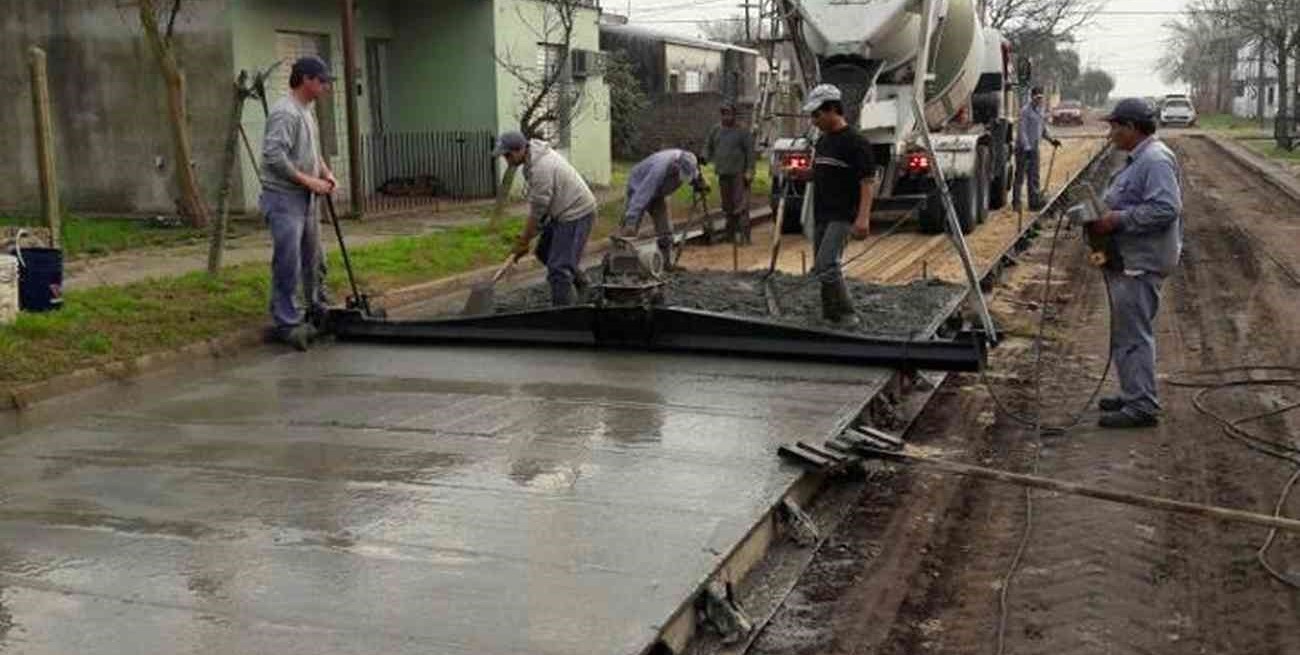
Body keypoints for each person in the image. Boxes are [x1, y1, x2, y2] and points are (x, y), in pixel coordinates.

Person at [1091, 97, 1183, 428]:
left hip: (1141, 263)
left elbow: (1166, 208)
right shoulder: (1137, 159)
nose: (1111, 133)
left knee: (1133, 334)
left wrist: (1117, 220)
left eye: (1115, 126)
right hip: (1129, 260)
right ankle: (1134, 393)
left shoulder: (1155, 160)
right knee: (1125, 332)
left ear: (1131, 127)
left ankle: (1141, 406)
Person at [260, 55, 338, 351]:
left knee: (315, 257)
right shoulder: (285, 113)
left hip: (307, 198)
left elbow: (311, 152)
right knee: (288, 261)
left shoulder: (307, 112)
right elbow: (274, 156)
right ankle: (287, 321)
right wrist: (309, 181)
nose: (326, 88)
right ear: (305, 79)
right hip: (284, 198)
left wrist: (326, 173)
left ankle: (315, 308)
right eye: (322, 81)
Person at [798, 84, 875, 328]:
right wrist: (802, 174)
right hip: (822, 213)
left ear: (832, 110)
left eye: (816, 114)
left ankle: (847, 314)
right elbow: (821, 172)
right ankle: (829, 314)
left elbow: (867, 182)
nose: (814, 120)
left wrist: (863, 219)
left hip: (843, 214)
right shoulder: (823, 141)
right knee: (822, 268)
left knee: (827, 264)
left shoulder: (856, 142)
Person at [495, 131, 598, 306]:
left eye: (507, 155)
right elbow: (542, 212)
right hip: (561, 210)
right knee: (544, 251)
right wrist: (528, 238)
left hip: (576, 213)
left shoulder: (541, 167)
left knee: (558, 268)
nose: (506, 159)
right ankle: (583, 284)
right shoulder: (532, 158)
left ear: (520, 149)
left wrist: (523, 240)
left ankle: (563, 315)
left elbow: (537, 211)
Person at [620, 149, 709, 266]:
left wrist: (700, 182)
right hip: (639, 188)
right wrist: (631, 218)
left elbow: (693, 173)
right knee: (630, 229)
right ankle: (621, 262)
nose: (683, 177)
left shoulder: (688, 162)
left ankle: (666, 263)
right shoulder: (659, 169)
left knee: (665, 229)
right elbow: (642, 195)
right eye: (682, 173)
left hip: (658, 193)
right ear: (676, 165)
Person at [703, 103, 757, 244]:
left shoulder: (742, 131)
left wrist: (750, 170)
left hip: (738, 173)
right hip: (723, 172)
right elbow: (708, 146)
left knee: (740, 205)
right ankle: (730, 234)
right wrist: (703, 157)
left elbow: (750, 153)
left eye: (728, 114)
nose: (726, 117)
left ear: (734, 115)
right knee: (727, 206)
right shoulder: (716, 130)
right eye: (723, 114)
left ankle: (744, 235)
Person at [1014, 87, 1062, 211]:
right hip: (1023, 149)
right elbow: (1022, 131)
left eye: (1041, 98)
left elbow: (1043, 130)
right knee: (1020, 176)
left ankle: (1034, 202)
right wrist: (1027, 147)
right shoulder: (1025, 111)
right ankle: (1016, 203)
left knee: (1034, 176)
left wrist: (1052, 140)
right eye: (1037, 98)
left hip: (1034, 148)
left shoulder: (1040, 111)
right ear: (1032, 97)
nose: (1039, 100)